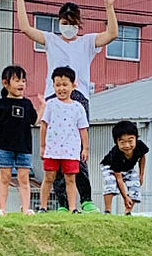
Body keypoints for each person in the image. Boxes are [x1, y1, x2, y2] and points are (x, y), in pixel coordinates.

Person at [6, 0, 120, 213]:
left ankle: (85, 199)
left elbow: (112, 34)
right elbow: (26, 29)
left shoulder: (88, 42)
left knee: (77, 151)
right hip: (53, 99)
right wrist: (20, 0)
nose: (67, 27)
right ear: (59, 22)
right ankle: (60, 204)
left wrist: (109, 6)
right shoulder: (52, 39)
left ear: (78, 24)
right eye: (64, 22)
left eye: (72, 23)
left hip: (78, 97)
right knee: (56, 152)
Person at [0, 65, 45, 217]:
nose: (21, 84)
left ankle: (26, 208)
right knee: (5, 177)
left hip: (24, 147)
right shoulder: (1, 103)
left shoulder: (27, 104)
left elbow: (35, 121)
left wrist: (42, 106)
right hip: (5, 146)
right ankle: (2, 208)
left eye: (23, 81)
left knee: (24, 178)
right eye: (17, 80)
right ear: (5, 83)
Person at [38, 67, 89, 214]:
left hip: (71, 150)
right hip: (52, 149)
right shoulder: (51, 105)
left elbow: (83, 129)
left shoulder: (78, 107)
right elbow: (44, 125)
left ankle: (73, 208)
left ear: (74, 85)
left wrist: (85, 148)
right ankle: (43, 206)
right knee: (49, 177)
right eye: (58, 85)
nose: (61, 88)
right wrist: (42, 146)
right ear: (53, 85)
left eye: (65, 84)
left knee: (70, 179)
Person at [100, 121, 148, 215]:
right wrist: (125, 197)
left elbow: (142, 157)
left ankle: (127, 212)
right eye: (122, 142)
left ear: (136, 138)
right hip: (110, 167)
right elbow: (119, 179)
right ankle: (107, 211)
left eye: (130, 141)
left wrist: (141, 174)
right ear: (116, 142)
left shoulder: (140, 146)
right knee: (110, 183)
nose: (127, 145)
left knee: (135, 184)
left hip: (128, 168)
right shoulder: (116, 154)